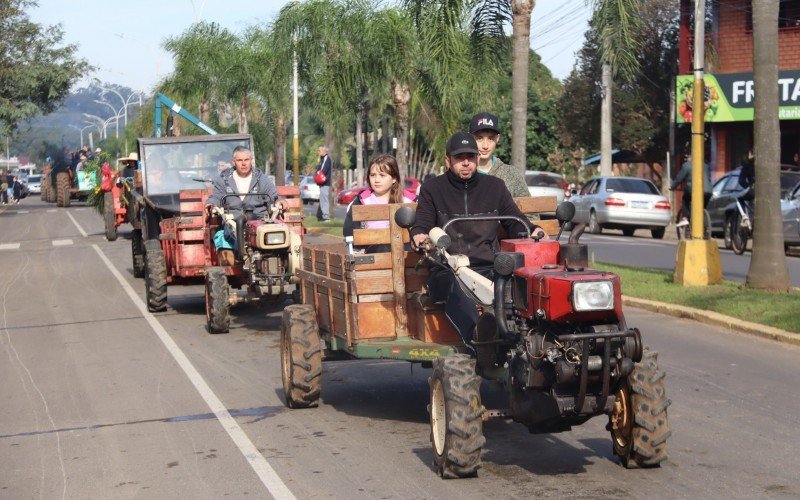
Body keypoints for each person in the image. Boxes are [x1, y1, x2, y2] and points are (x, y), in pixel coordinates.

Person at [410, 131, 539, 349]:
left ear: (478, 158)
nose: (466, 163)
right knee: (452, 285)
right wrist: (419, 235)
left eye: (470, 157)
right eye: (460, 158)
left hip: (490, 266)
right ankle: (479, 338)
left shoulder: (495, 187)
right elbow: (421, 223)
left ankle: (528, 343)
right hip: (449, 269)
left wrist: (533, 230)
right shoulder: (433, 189)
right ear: (447, 160)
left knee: (520, 283)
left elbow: (516, 221)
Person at [206, 146, 286, 265]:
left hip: (259, 223)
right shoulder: (223, 180)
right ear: (233, 162)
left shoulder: (262, 179)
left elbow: (274, 196)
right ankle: (237, 260)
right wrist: (211, 204)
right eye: (240, 160)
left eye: (246, 160)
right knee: (222, 240)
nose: (244, 164)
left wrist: (280, 202)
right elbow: (216, 197)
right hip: (232, 224)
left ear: (251, 160)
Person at [343, 154, 416, 253]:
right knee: (384, 248)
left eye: (382, 175)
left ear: (394, 178)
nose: (376, 180)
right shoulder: (361, 201)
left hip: (405, 253)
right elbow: (349, 231)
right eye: (373, 175)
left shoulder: (409, 200)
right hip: (374, 254)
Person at [469, 112, 529, 198]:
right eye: (479, 138)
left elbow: (529, 208)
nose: (485, 146)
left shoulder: (511, 174)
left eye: (490, 138)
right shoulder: (463, 173)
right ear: (470, 138)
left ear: (497, 138)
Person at [670, 153, 712, 227]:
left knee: (685, 200)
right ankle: (703, 222)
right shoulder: (705, 165)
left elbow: (679, 178)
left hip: (694, 190)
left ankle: (685, 218)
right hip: (708, 191)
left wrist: (672, 186)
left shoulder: (687, 165)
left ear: (691, 158)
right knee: (702, 208)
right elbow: (708, 178)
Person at [315, 145, 332, 221]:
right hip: (321, 184)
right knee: (322, 200)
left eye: (319, 150)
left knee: (324, 200)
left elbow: (323, 171)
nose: (318, 152)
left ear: (323, 151)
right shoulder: (322, 159)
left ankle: (326, 217)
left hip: (325, 183)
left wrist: (318, 173)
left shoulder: (327, 159)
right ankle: (322, 216)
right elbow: (318, 169)